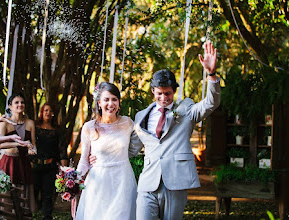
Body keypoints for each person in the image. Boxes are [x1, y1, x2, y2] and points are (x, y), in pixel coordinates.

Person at [128, 41, 221, 220]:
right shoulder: (141, 117)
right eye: (159, 93)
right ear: (153, 91)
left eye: (168, 93)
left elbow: (211, 103)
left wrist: (211, 74)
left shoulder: (187, 111)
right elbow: (131, 149)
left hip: (175, 182)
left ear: (174, 91)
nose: (163, 98)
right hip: (148, 182)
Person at [76, 82, 137, 220]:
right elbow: (84, 160)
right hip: (98, 182)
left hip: (123, 181)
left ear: (119, 102)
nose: (111, 104)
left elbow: (136, 146)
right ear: (99, 103)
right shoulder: (89, 127)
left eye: (114, 99)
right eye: (106, 99)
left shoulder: (127, 123)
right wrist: (74, 179)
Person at [0, 93, 37, 216]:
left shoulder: (30, 123)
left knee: (23, 195)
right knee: (8, 193)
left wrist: (32, 150)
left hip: (23, 163)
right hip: (9, 163)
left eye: (22, 102)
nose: (20, 105)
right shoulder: (5, 123)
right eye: (16, 102)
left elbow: (34, 144)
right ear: (10, 106)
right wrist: (17, 145)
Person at [32, 103, 67, 220]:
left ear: (53, 114)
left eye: (50, 110)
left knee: (48, 195)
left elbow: (62, 150)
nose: (48, 112)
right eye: (45, 110)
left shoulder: (56, 131)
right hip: (35, 166)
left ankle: (47, 217)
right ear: (42, 112)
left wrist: (64, 171)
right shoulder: (35, 128)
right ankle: (32, 215)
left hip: (50, 167)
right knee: (34, 193)